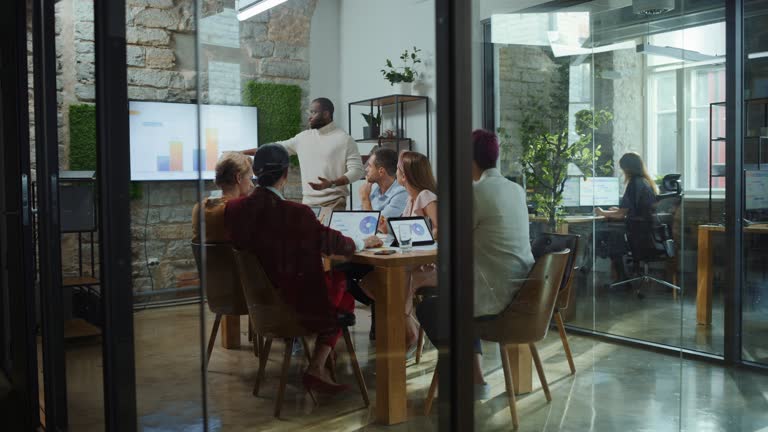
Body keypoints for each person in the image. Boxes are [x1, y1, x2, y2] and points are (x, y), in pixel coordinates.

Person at [225, 144, 382, 395]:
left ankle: (318, 366)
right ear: (285, 175)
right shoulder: (297, 213)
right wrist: (364, 241)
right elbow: (333, 244)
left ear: (255, 171)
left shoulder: (233, 210)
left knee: (342, 292)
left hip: (260, 307)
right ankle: (316, 367)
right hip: (293, 309)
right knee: (342, 286)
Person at [416, 129, 535, 399]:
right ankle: (476, 376)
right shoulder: (516, 190)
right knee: (456, 297)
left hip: (493, 299)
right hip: (524, 293)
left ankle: (472, 377)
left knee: (430, 307)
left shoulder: (475, 192)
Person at [362, 150, 438, 349]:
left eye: (397, 170)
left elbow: (440, 227)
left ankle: (406, 335)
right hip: (412, 261)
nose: (395, 173)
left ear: (404, 175)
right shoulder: (410, 200)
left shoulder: (425, 196)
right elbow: (397, 230)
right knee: (373, 281)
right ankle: (407, 327)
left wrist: (424, 239)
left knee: (393, 279)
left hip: (427, 267)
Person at [244, 97, 364, 209]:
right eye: (309, 113)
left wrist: (332, 183)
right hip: (307, 205)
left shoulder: (344, 139)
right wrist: (241, 152)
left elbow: (357, 171)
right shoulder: (303, 138)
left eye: (313, 112)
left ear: (326, 114)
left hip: (334, 204)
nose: (309, 117)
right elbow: (272, 149)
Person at [342, 147, 408, 340]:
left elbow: (379, 226)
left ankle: (380, 312)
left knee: (368, 275)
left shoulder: (400, 193)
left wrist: (364, 200)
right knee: (338, 273)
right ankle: (376, 303)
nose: (365, 169)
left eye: (369, 165)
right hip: (368, 254)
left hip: (388, 257)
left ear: (381, 171)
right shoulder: (373, 190)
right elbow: (356, 221)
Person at [595, 152, 658, 281]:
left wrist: (602, 213)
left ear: (627, 168)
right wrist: (618, 210)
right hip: (646, 234)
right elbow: (633, 210)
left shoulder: (634, 183)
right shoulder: (645, 182)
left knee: (598, 235)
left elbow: (621, 214)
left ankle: (622, 277)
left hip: (636, 235)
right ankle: (622, 276)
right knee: (611, 235)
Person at [192, 152, 253, 243]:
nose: (252, 185)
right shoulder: (238, 210)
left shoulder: (198, 208)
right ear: (239, 178)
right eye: (250, 178)